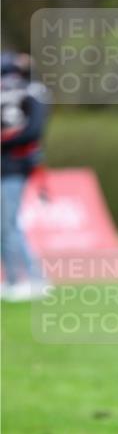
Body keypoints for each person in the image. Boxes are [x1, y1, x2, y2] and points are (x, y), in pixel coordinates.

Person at [1, 52, 50, 301]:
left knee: (9, 225)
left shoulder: (31, 93)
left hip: (14, 168)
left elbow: (33, 131)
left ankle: (31, 278)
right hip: (7, 166)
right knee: (4, 226)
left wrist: (6, 140)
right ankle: (12, 279)